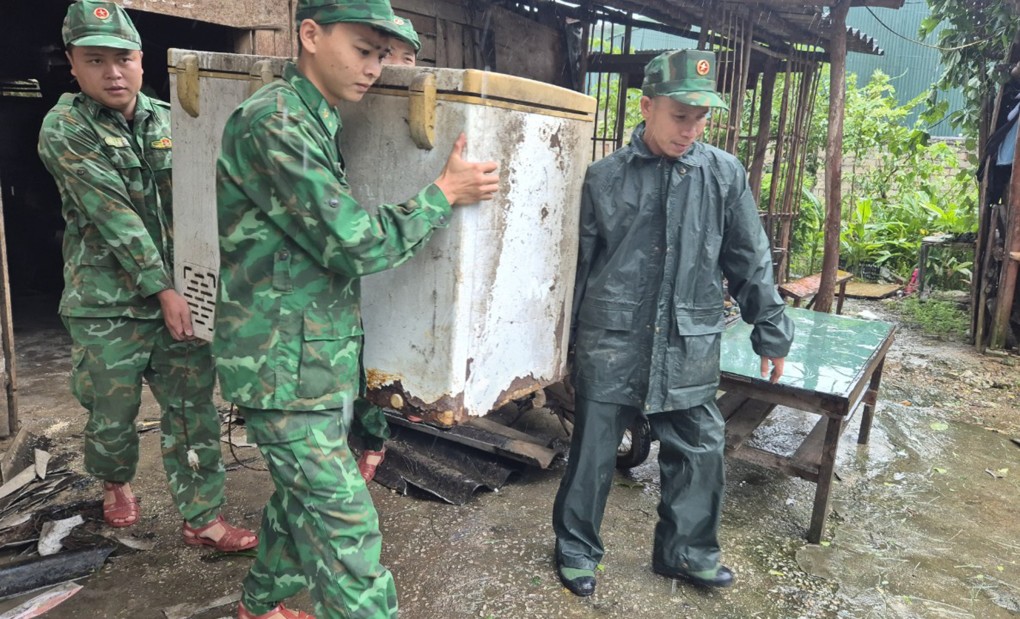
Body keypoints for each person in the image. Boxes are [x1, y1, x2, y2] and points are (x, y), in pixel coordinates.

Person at [213, 1, 499, 617]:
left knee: (300, 502)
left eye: (381, 54)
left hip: (309, 361)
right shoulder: (276, 122)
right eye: (363, 49)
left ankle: (261, 605)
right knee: (347, 534)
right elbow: (353, 244)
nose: (374, 67)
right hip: (279, 368)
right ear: (310, 35)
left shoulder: (316, 118)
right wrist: (441, 195)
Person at [551, 49, 795, 597]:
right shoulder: (605, 178)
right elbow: (577, 269)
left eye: (701, 117)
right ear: (647, 106)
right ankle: (576, 548)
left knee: (699, 447)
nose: (691, 129)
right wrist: (559, 347)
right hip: (612, 336)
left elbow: (749, 258)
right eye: (680, 115)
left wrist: (771, 330)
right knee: (592, 450)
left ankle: (685, 553)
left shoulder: (723, 174)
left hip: (688, 337)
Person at [36, 0, 256, 553]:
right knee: (112, 415)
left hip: (180, 294)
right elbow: (114, 215)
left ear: (141, 59)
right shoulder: (64, 128)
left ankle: (202, 516)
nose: (113, 72)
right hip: (108, 304)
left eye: (124, 58)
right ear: (72, 63)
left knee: (192, 410)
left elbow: (211, 198)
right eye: (95, 60)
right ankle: (115, 480)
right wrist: (164, 290)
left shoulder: (172, 117)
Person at [351, 15, 422, 485]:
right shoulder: (345, 106)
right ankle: (362, 438)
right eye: (383, 54)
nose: (392, 67)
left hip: (399, 250)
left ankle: (375, 440)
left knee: (385, 355)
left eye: (406, 57)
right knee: (354, 360)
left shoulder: (423, 110)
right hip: (353, 249)